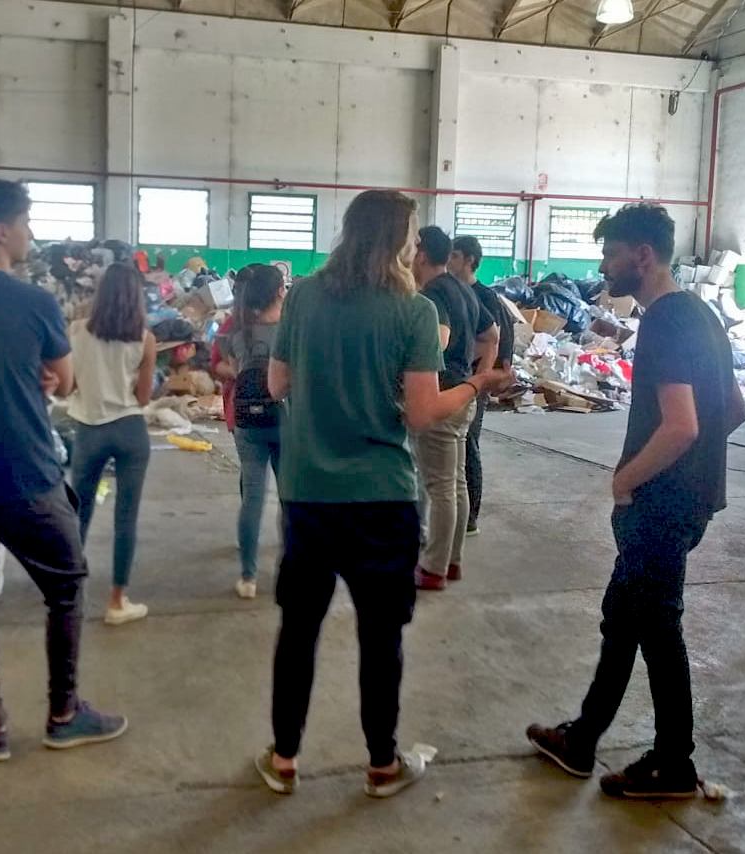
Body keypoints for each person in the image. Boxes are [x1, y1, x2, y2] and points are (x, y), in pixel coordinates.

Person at [255, 191, 509, 799]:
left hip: (308, 495)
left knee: (299, 632)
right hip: (380, 500)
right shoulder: (413, 311)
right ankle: (381, 765)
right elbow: (422, 413)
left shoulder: (305, 297)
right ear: (402, 242)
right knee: (380, 637)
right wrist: (476, 381)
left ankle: (284, 759)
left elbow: (278, 381)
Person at [526, 204, 745, 799]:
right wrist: (693, 476)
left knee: (658, 630)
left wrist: (625, 481)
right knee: (623, 620)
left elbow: (682, 426)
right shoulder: (702, 315)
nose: (604, 266)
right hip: (687, 502)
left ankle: (674, 764)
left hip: (657, 507)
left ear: (641, 256)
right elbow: (733, 409)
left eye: (610, 254)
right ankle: (583, 738)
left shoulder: (666, 322)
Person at [0, 179, 127, 763]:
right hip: (27, 474)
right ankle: (63, 714)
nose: (32, 233)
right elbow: (66, 381)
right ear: (3, 230)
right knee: (65, 588)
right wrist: (37, 374)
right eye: (27, 222)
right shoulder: (33, 303)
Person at [68, 262, 156, 626]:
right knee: (126, 518)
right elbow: (144, 396)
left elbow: (68, 386)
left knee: (79, 512)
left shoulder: (75, 331)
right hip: (130, 431)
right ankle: (117, 601)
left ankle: (67, 592)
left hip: (88, 430)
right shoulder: (145, 339)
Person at [411, 226, 498, 591]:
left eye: (413, 249)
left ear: (422, 255)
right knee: (456, 481)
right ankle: (453, 560)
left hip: (443, 396)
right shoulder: (464, 289)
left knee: (441, 485)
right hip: (463, 396)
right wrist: (478, 378)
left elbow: (441, 338)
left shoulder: (433, 293)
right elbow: (491, 335)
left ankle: (433, 568)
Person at [448, 235, 516, 536]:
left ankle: (471, 515)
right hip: (456, 381)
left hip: (475, 380)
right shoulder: (451, 292)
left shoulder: (485, 296)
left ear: (469, 260)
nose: (449, 262)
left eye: (454, 256)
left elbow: (499, 338)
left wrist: (487, 378)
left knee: (467, 444)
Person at [226, 264, 286, 599]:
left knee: (252, 497)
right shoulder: (291, 330)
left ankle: (248, 577)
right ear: (280, 292)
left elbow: (234, 370)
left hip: (247, 422)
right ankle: (288, 570)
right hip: (285, 420)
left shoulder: (238, 332)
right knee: (288, 498)